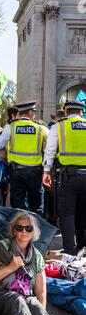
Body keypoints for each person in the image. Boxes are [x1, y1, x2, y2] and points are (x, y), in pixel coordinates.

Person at [0, 101, 49, 215]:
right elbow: (51, 147)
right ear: (30, 113)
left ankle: (18, 230)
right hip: (35, 172)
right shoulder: (40, 128)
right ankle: (36, 231)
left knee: (17, 205)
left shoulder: (11, 127)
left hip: (17, 172)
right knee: (37, 206)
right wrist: (47, 169)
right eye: (33, 112)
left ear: (20, 113)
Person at [43, 100, 86, 255]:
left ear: (66, 111)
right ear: (81, 112)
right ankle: (82, 247)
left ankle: (70, 251)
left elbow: (50, 151)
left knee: (67, 214)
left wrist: (46, 171)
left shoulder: (59, 126)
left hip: (68, 178)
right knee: (83, 213)